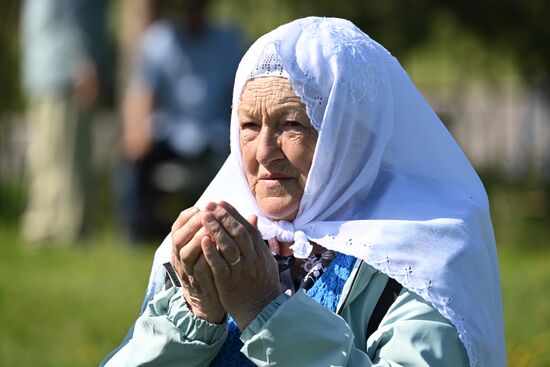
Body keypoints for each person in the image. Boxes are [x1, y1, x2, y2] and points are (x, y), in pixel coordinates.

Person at [102, 17, 505, 366]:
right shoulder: (219, 238)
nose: (263, 153)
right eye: (248, 126)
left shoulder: (423, 255)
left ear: (351, 136)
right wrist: (194, 315)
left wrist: (265, 310)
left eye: (291, 124)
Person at [118, 0, 242, 242]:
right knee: (131, 159)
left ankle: (233, 230)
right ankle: (138, 232)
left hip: (215, 134)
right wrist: (136, 133)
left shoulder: (229, 41)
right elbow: (142, 93)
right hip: (170, 132)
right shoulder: (158, 40)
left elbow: (241, 96)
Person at [20, 0, 111, 243]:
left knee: (56, 157)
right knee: (62, 158)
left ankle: (53, 228)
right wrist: (82, 64)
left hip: (50, 71)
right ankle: (62, 229)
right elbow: (71, 20)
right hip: (62, 72)